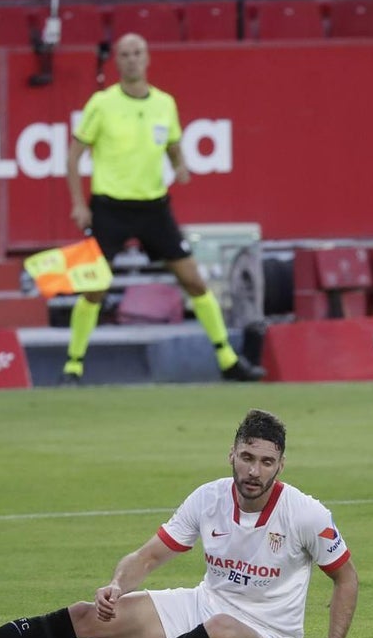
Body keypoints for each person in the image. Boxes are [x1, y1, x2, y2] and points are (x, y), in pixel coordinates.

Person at [0, 409, 365, 638]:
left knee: (222, 629)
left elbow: (345, 577)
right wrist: (117, 585)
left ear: (281, 464)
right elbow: (149, 555)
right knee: (85, 614)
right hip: (202, 606)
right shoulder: (208, 497)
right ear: (231, 454)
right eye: (246, 457)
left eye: (266, 461)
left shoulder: (305, 513)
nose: (253, 471)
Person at [62, 33, 264, 385]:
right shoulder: (102, 103)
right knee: (93, 287)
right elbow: (74, 155)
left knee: (194, 280)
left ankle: (228, 359)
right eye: (125, 54)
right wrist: (80, 205)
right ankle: (73, 366)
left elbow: (173, 146)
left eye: (138, 52)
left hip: (154, 207)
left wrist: (181, 165)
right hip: (110, 207)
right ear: (117, 61)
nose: (131, 59)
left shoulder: (164, 104)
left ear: (148, 58)